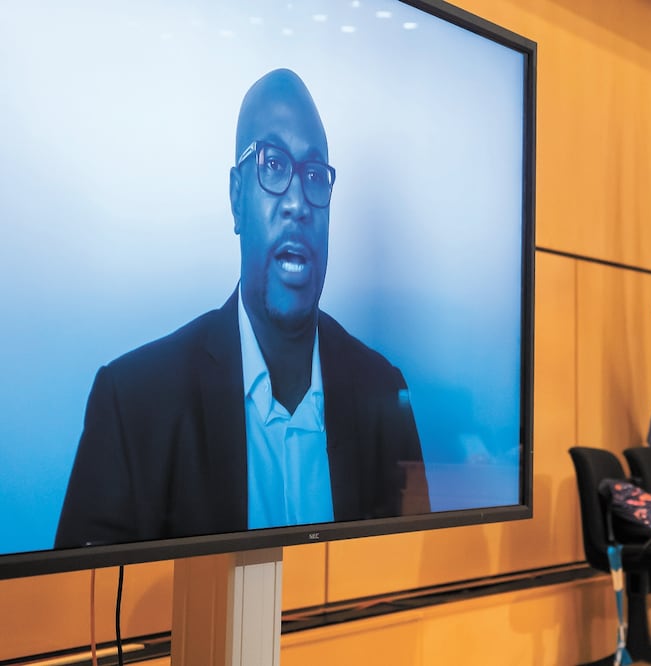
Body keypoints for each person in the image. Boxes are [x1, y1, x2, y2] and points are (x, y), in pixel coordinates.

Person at [55, 69, 429, 548]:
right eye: (273, 166)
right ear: (236, 198)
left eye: (315, 176)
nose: (297, 202)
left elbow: (414, 590)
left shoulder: (384, 394)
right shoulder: (133, 406)